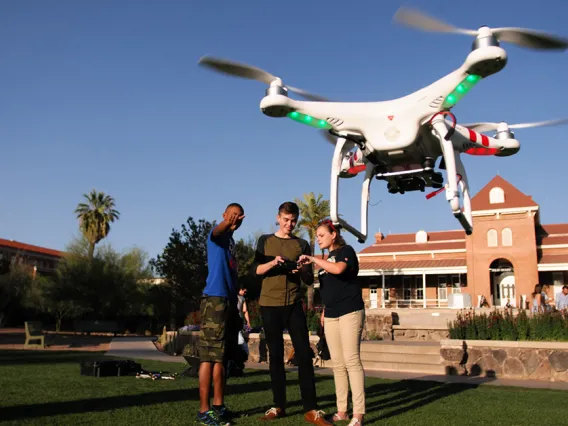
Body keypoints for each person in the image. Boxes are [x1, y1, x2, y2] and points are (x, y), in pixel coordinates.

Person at [251, 201, 332, 425]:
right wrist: (274, 264)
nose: (289, 224)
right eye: (286, 220)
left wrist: (301, 269)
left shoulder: (302, 244)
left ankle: (311, 409)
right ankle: (278, 406)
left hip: (294, 304)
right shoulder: (265, 241)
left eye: (293, 220)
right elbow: (255, 270)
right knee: (275, 356)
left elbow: (308, 280)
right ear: (278, 218)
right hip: (269, 304)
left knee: (304, 355)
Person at [298, 219, 366, 426]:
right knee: (337, 364)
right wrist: (324, 312)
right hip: (331, 315)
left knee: (351, 360)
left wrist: (314, 259)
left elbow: (338, 270)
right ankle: (342, 411)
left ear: (333, 234)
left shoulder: (347, 251)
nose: (318, 239)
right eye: (317, 236)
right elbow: (329, 290)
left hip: (350, 312)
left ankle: (358, 414)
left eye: (321, 235)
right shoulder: (326, 260)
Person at [196, 203, 245, 426]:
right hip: (213, 300)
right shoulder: (216, 236)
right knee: (208, 356)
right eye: (231, 215)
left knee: (222, 357)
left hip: (228, 302)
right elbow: (217, 230)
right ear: (224, 216)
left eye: (238, 216)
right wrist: (228, 224)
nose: (234, 219)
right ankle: (204, 410)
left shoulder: (231, 243)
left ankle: (218, 406)